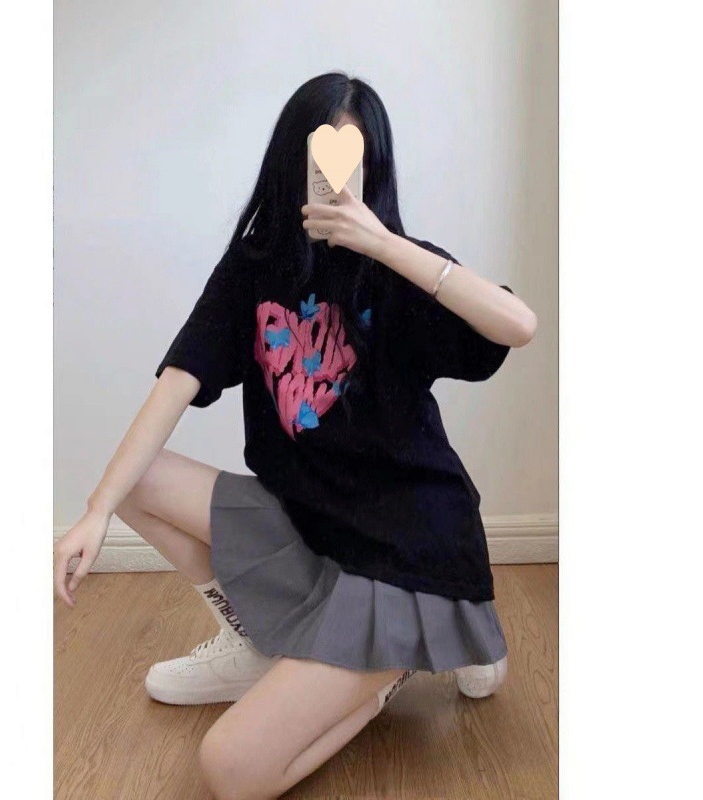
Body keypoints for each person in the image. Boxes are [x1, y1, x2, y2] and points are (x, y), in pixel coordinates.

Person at [54, 72, 537, 798]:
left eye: (353, 159)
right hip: (316, 531)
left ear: (374, 167)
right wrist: (94, 511)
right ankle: (260, 646)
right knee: (134, 479)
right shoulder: (257, 264)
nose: (335, 178)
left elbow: (518, 325)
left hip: (410, 555)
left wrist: (384, 244)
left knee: (229, 768)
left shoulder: (399, 267)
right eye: (321, 158)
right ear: (291, 160)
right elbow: (178, 379)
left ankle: (390, 670)